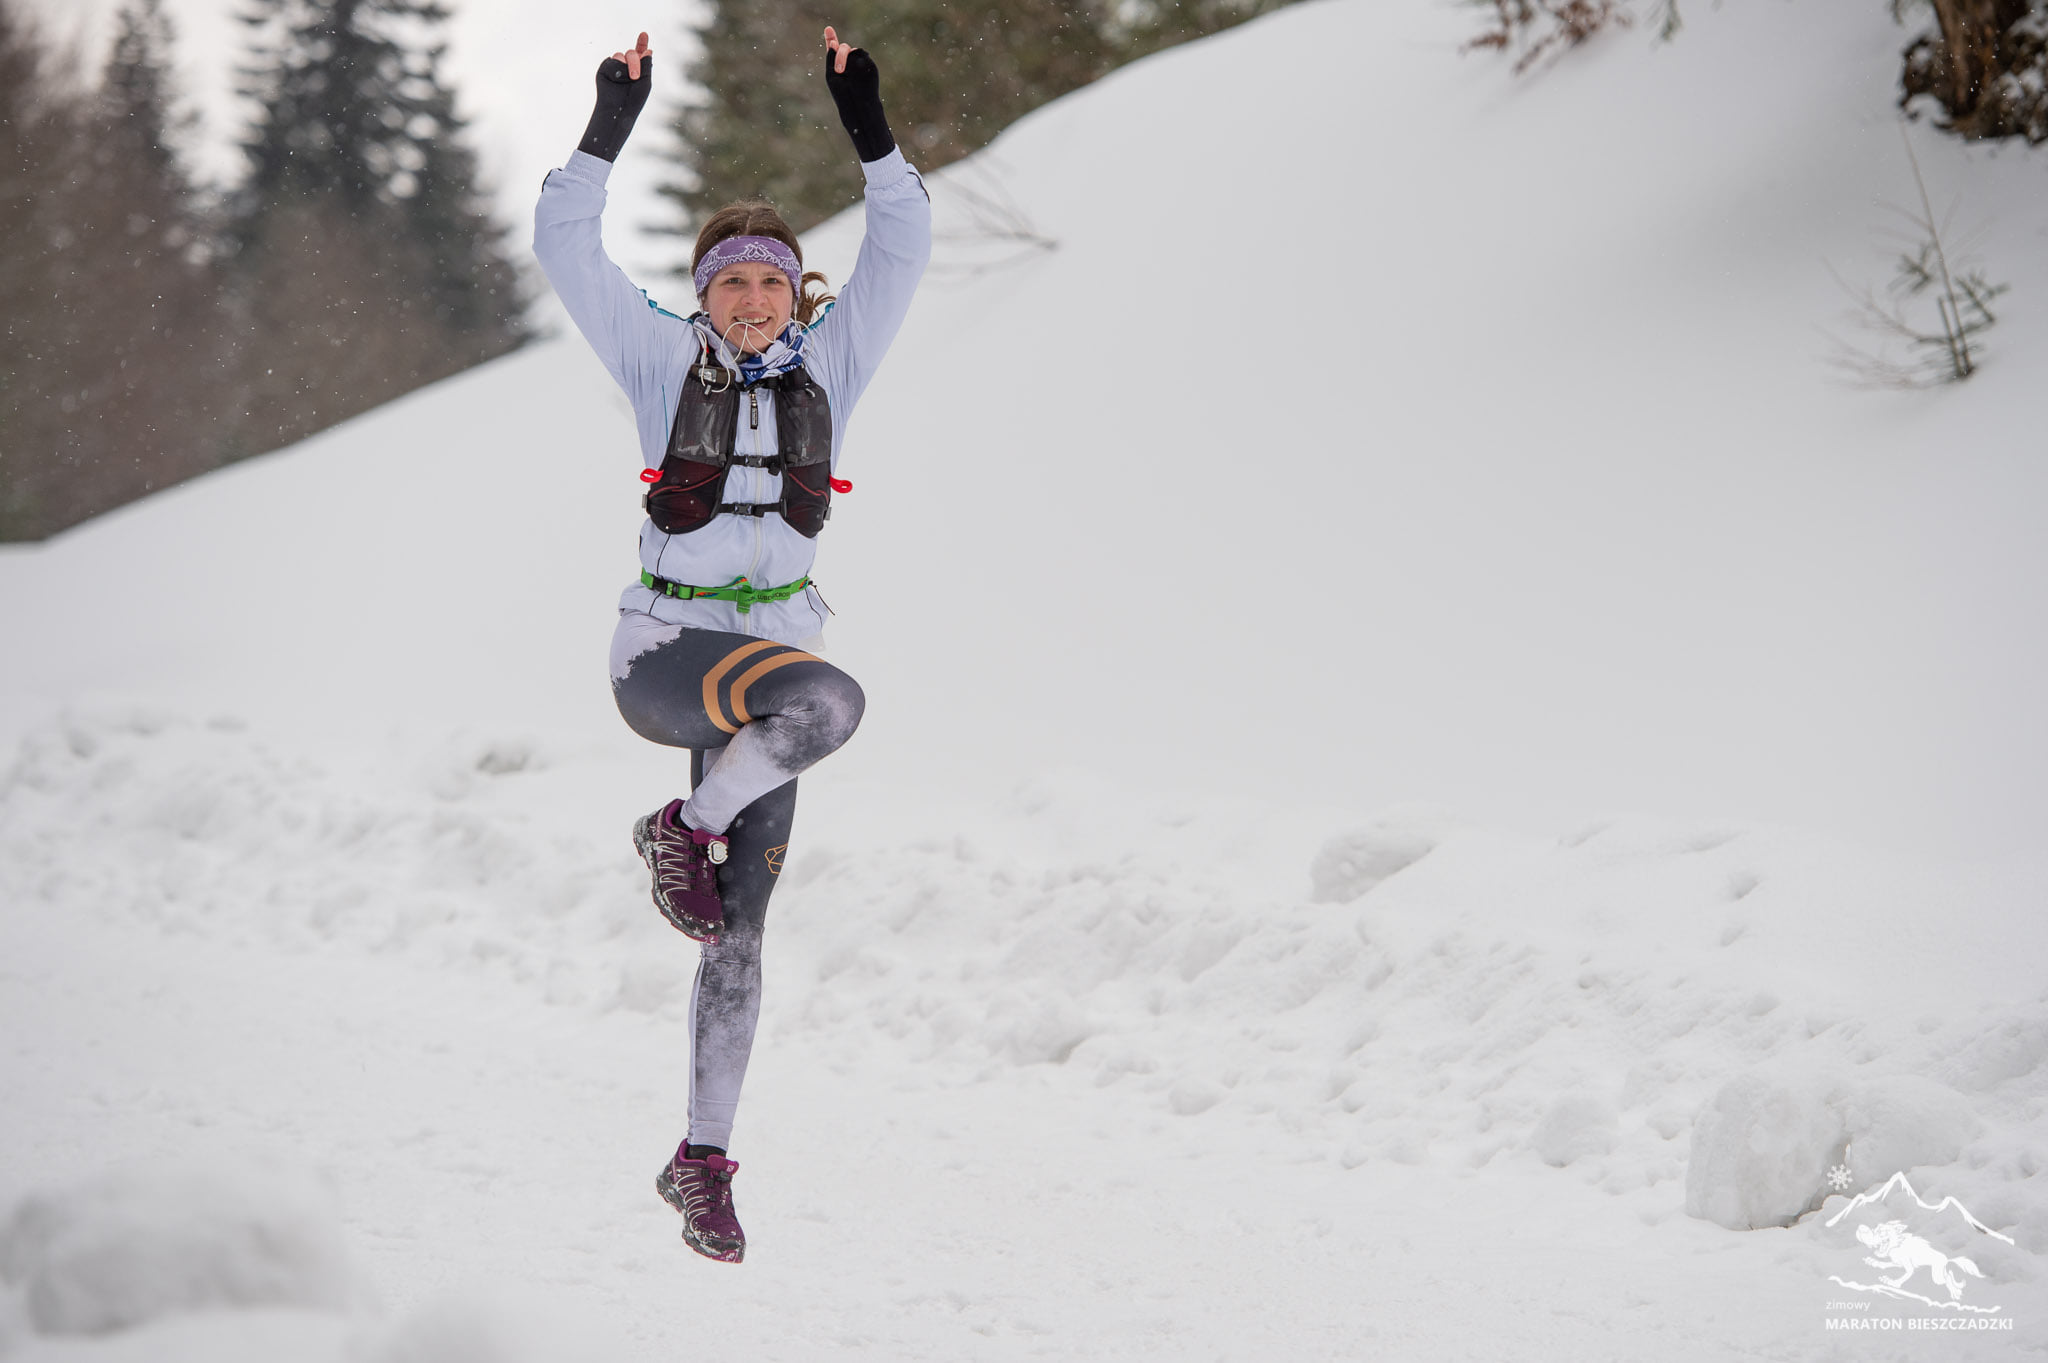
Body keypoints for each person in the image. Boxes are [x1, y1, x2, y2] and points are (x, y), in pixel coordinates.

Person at [533, 24, 930, 1264]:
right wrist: (609, 124)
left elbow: (907, 237)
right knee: (828, 707)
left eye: (769, 280)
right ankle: (682, 831)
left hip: (766, 675)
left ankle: (698, 1157)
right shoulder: (659, 359)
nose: (750, 300)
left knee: (738, 935)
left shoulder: (837, 360)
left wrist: (862, 121)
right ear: (700, 297)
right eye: (728, 282)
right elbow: (562, 241)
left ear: (794, 292)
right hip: (665, 660)